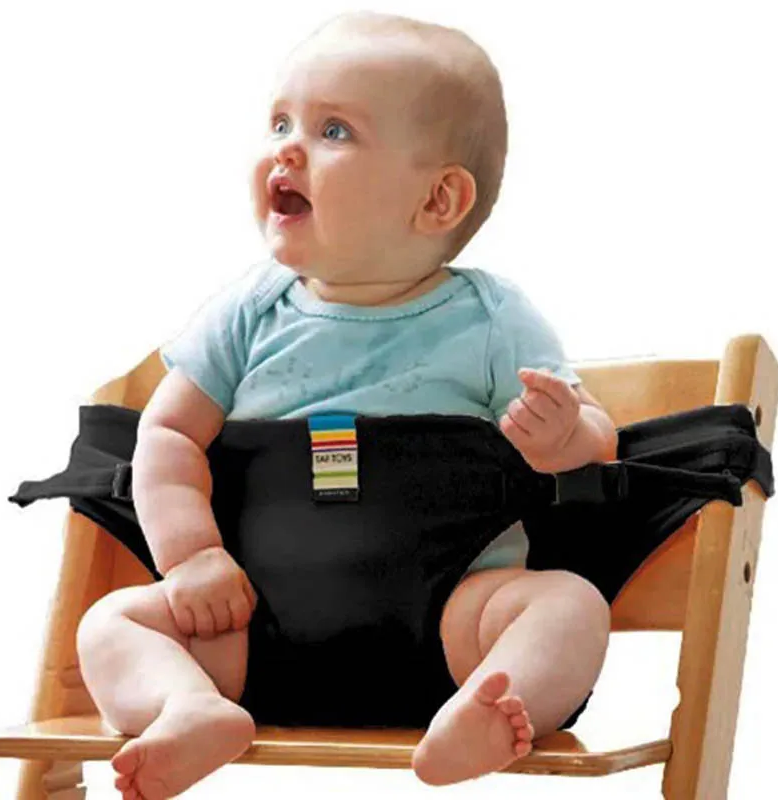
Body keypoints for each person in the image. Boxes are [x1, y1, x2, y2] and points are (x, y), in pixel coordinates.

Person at [75, 11, 617, 797]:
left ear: (439, 199)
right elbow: (166, 435)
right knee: (112, 624)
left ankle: (489, 711)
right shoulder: (248, 313)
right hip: (251, 629)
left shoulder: (492, 320)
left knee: (571, 606)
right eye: (280, 122)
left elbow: (596, 437)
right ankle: (189, 706)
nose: (287, 149)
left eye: (333, 131)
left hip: (448, 630)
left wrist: (562, 437)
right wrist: (191, 557)